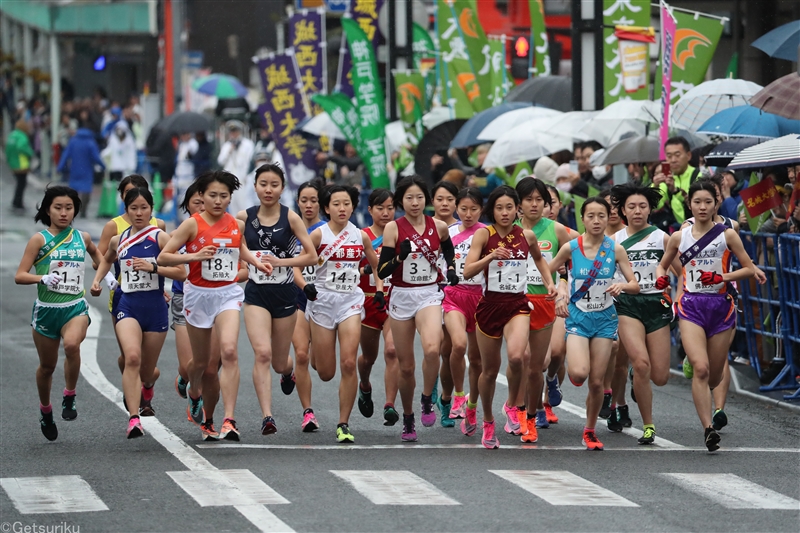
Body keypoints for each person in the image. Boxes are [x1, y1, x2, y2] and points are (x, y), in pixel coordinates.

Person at [158, 170, 271, 440]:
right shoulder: (191, 225)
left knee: (229, 351)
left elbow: (238, 249)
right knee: (200, 364)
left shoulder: (236, 224)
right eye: (213, 196)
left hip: (227, 294)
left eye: (224, 196)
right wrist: (195, 255)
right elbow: (164, 257)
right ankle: (194, 390)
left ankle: (228, 419)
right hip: (197, 295)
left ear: (230, 197)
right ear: (202, 196)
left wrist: (256, 262)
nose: (218, 201)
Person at [656, 181, 756, 451]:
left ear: (716, 204)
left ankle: (696, 359)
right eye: (697, 202)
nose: (702, 207)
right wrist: (661, 283)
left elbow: (748, 268)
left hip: (721, 306)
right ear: (689, 203)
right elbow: (663, 265)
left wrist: (721, 277)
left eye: (707, 202)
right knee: (701, 369)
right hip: (692, 306)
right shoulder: (680, 236)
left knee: (713, 375)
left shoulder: (728, 235)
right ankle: (708, 429)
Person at [462, 185, 557, 448]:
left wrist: (550, 283)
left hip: (517, 304)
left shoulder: (526, 236)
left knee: (518, 357)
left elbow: (539, 261)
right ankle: (489, 420)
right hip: (490, 306)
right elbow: (468, 271)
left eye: (509, 207)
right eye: (499, 208)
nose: (505, 213)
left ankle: (512, 404)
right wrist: (491, 256)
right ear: (492, 210)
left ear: (517, 209)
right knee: (489, 370)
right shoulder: (484, 235)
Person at [90, 188, 186, 437]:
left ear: (151, 209)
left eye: (144, 207)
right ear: (126, 209)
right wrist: (98, 280)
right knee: (131, 357)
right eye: (134, 208)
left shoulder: (160, 237)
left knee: (146, 370)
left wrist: (153, 267)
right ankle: (134, 418)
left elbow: (181, 272)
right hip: (128, 305)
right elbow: (107, 259)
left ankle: (148, 385)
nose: (139, 213)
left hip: (154, 309)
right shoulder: (118, 239)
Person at [548, 197, 640, 450]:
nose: (597, 221)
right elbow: (550, 270)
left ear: (608, 217)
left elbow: (635, 285)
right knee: (579, 373)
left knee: (597, 382)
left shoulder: (615, 249)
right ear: (583, 219)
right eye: (591, 216)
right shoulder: (570, 248)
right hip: (578, 317)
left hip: (605, 319)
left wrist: (622, 284)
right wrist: (562, 289)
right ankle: (568, 372)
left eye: (602, 215)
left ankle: (589, 431)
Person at [15, 187, 104, 441]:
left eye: (69, 208)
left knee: (73, 345)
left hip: (74, 307)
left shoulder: (83, 237)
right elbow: (20, 275)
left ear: (75, 210)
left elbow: (100, 259)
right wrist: (42, 277)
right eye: (58, 208)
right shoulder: (39, 240)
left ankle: (69, 395)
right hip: (46, 312)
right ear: (47, 210)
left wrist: (100, 277)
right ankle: (46, 410)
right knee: (46, 367)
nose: (64, 213)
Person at [236, 164, 318, 435]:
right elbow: (233, 245)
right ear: (255, 186)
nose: (268, 189)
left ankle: (287, 372)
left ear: (282, 188)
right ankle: (267, 417)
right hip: (256, 295)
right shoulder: (243, 217)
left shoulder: (291, 218)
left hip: (285, 295)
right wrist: (250, 264)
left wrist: (281, 261)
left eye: (274, 184)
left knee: (279, 361)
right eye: (263, 184)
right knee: (262, 353)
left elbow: (311, 256)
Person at [377, 175, 459, 442]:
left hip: (428, 295)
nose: (415, 203)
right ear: (401, 201)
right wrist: (400, 255)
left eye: (420, 197)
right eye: (409, 198)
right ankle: (409, 416)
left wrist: (452, 268)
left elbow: (448, 250)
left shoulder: (438, 226)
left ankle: (426, 397)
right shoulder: (392, 228)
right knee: (407, 366)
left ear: (427, 199)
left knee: (433, 348)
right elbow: (383, 269)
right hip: (401, 295)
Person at [304, 185, 382, 442]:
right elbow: (297, 265)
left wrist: (379, 288)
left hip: (350, 300)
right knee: (325, 371)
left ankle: (343, 424)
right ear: (326, 208)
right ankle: (316, 348)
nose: (342, 208)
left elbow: (376, 265)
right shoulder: (318, 235)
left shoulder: (360, 236)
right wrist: (305, 286)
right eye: (336, 204)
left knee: (349, 362)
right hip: (322, 300)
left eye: (346, 203)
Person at [609, 184, 678, 444]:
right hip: (627, 304)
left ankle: (634, 377)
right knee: (641, 363)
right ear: (623, 211)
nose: (637, 211)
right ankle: (648, 425)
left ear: (650, 209)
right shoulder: (614, 241)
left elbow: (681, 272)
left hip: (655, 304)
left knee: (660, 377)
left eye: (642, 206)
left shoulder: (663, 238)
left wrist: (677, 296)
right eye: (631, 207)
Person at [513, 177, 571, 441]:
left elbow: (585, 249)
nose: (534, 205)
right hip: (514, 302)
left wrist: (562, 282)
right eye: (529, 200)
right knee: (519, 357)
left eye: (539, 200)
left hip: (545, 303)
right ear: (519, 204)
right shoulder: (507, 229)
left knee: (538, 365)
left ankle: (532, 414)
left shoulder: (557, 230)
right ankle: (518, 410)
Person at [172, 182, 224, 440]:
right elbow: (163, 259)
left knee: (212, 367)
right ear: (189, 204)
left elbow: (241, 263)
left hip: (218, 299)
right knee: (189, 365)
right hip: (185, 299)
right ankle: (192, 387)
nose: (205, 206)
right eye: (198, 202)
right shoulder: (184, 230)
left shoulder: (227, 229)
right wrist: (191, 259)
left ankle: (209, 418)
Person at [440, 188, 485, 428]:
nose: (468, 214)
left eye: (474, 209)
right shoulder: (446, 232)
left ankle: (472, 405)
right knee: (458, 344)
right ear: (457, 208)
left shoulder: (487, 233)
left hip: (480, 298)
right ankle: (458, 395)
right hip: (453, 295)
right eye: (464, 208)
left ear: (481, 210)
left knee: (477, 360)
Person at [356, 189, 400, 426]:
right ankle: (364, 384)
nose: (385, 213)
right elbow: (348, 269)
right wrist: (362, 270)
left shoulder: (401, 234)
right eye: (380, 208)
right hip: (368, 300)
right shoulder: (361, 236)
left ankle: (390, 404)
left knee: (392, 350)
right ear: (370, 210)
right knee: (368, 358)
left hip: (394, 300)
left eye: (390, 208)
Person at [291, 180, 327, 432]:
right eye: (304, 200)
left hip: (324, 299)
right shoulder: (289, 228)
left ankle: (293, 373)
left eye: (314, 200)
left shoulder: (328, 230)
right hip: (296, 297)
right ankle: (308, 412)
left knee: (319, 364)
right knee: (301, 354)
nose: (309, 205)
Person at [597, 189, 629, 427]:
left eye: (619, 205)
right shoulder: (593, 237)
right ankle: (606, 394)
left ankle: (619, 403)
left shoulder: (631, 235)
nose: (615, 210)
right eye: (610, 205)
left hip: (630, 301)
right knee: (613, 347)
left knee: (622, 360)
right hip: (600, 302)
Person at [431, 180, 459, 413]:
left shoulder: (464, 229)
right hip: (429, 292)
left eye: (450, 199)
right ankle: (431, 383)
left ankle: (446, 398)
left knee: (449, 350)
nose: (445, 203)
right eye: (440, 199)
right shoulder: (426, 227)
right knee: (436, 345)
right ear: (432, 202)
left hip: (455, 292)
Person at [651, 136, 701, 229]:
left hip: (699, 228)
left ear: (688, 156)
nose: (673, 160)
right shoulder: (666, 178)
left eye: (677, 155)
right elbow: (653, 207)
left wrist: (675, 191)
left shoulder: (698, 176)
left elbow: (699, 205)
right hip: (679, 230)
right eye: (669, 156)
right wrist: (655, 186)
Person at [58, 126, 105, 215]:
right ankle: (83, 210)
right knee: (86, 189)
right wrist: (103, 166)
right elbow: (96, 157)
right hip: (87, 170)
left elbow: (65, 155)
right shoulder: (90, 143)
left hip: (74, 170)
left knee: (73, 189)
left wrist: (60, 167)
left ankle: (72, 208)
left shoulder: (73, 141)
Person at [6, 119, 35, 211]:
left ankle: (16, 201)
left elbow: (7, 149)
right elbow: (22, 147)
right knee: (22, 184)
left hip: (13, 163)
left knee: (19, 183)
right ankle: (18, 202)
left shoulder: (12, 135)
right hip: (21, 163)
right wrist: (30, 153)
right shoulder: (22, 136)